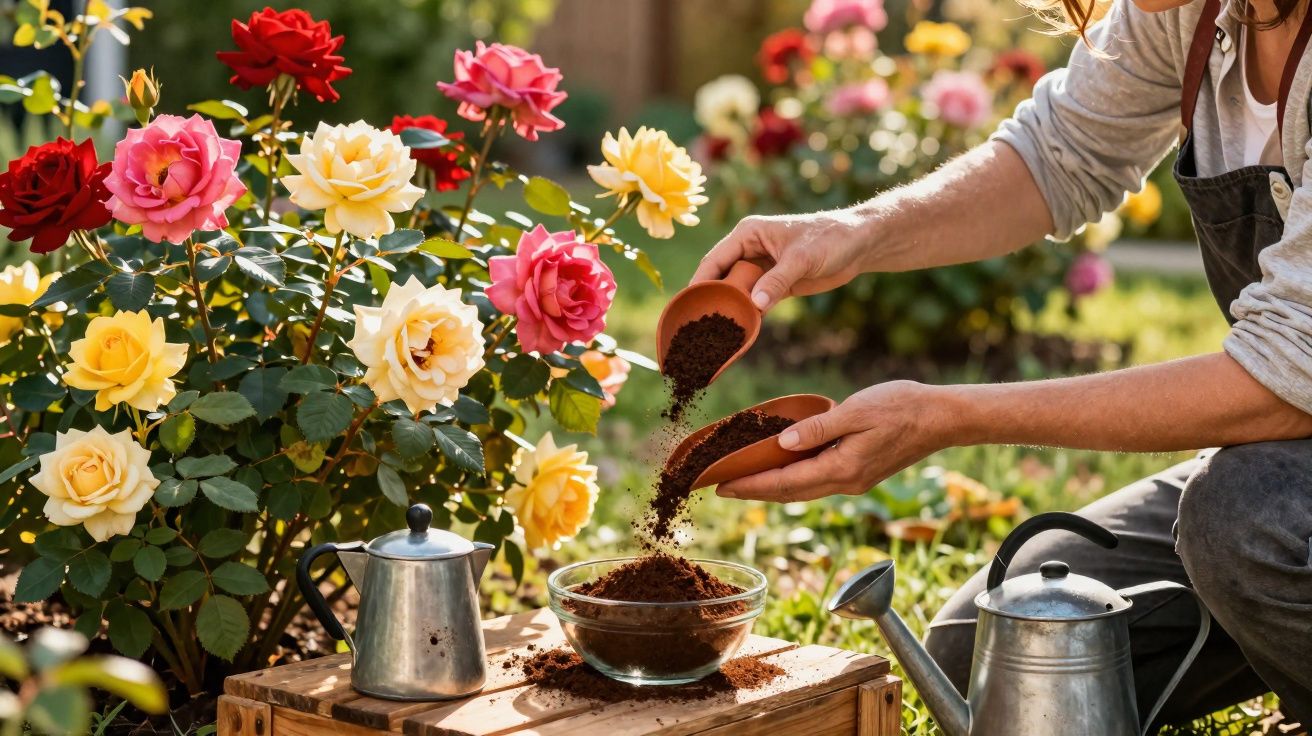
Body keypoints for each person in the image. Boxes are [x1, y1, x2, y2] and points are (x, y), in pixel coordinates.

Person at [696, 0, 1312, 726]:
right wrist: (849, 233)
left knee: (1240, 521)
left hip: (1273, 472)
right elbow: (1058, 152)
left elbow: (1286, 374)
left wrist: (948, 417)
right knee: (1001, 650)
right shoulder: (1190, 10)